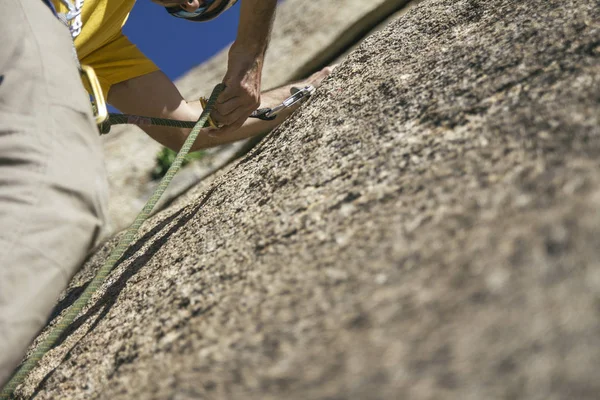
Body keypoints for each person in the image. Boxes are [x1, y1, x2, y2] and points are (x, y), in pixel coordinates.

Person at [0, 0, 332, 387]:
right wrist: (250, 51)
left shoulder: (99, 41)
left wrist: (304, 91)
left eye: (193, 10)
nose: (193, 2)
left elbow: (191, 129)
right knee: (57, 195)